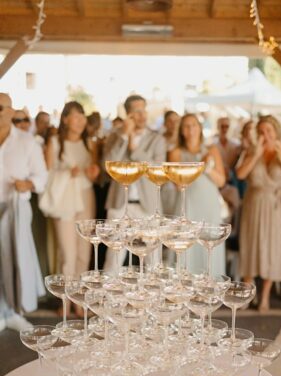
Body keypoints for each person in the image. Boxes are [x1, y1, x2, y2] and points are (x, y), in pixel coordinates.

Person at [237, 115, 281, 312]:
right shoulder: (251, 151)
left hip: (278, 207)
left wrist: (280, 156)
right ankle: (248, 294)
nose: (265, 135)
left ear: (276, 131)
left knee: (274, 248)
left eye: (269, 131)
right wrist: (256, 154)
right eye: (261, 131)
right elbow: (241, 174)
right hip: (254, 204)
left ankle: (265, 297)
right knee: (251, 246)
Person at [0, 92, 47, 332]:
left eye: (1, 107)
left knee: (15, 260)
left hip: (15, 207)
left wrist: (27, 184)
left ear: (11, 111)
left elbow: (42, 177)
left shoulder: (27, 142)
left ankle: (14, 312)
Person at [102, 95, 167, 270]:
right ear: (128, 114)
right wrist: (124, 135)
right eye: (136, 112)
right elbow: (108, 164)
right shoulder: (115, 137)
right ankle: (110, 297)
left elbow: (157, 170)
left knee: (153, 262)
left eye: (143, 110)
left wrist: (135, 150)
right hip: (119, 204)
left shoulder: (157, 139)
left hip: (148, 206)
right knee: (113, 259)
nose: (142, 115)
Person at [41, 101, 100, 283]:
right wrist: (67, 173)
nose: (81, 121)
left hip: (86, 196)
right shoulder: (54, 142)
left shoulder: (90, 144)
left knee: (84, 250)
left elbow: (94, 176)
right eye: (76, 116)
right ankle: (66, 299)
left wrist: (94, 173)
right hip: (63, 198)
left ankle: (79, 300)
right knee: (68, 252)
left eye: (83, 116)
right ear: (65, 119)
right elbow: (46, 176)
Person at [168, 113, 227, 276]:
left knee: (209, 241)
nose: (191, 129)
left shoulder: (212, 150)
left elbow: (221, 181)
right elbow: (178, 185)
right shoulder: (176, 153)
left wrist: (208, 168)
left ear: (200, 128)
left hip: (208, 203)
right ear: (181, 131)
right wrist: (200, 163)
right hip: (187, 204)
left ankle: (210, 284)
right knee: (186, 241)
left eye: (194, 125)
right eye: (186, 126)